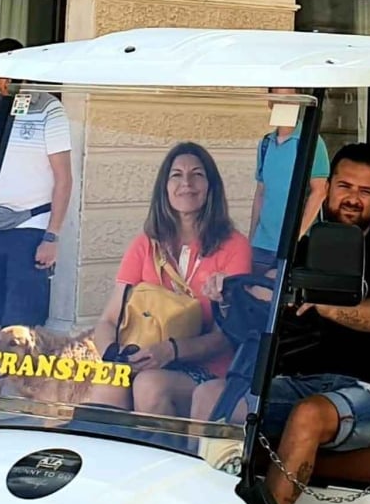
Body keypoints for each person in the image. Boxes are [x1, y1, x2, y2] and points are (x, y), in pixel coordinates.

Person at [254, 144, 370, 504]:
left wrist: (326, 306)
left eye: (366, 192)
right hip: (295, 380)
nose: (353, 199)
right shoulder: (300, 244)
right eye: (345, 187)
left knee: (308, 414)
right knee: (224, 399)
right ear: (328, 187)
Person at [88, 143, 252, 417]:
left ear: (211, 186)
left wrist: (171, 351)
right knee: (108, 384)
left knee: (150, 385)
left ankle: (169, 459)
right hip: (144, 358)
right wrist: (114, 358)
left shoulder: (234, 246)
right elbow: (107, 321)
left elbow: (228, 337)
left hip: (208, 368)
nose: (186, 183)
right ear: (164, 187)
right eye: (176, 175)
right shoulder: (144, 245)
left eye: (197, 174)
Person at [0, 37, 72, 391]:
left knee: (20, 329)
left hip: (30, 224)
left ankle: (32, 407)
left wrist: (51, 236)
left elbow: (64, 179)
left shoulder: (48, 110)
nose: (3, 81)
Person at [250, 87, 330, 270]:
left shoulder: (311, 142)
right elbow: (261, 193)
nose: (283, 103)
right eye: (278, 98)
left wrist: (298, 234)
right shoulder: (265, 144)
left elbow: (319, 191)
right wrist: (252, 236)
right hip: (262, 244)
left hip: (293, 247)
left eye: (289, 98)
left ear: (299, 102)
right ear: (270, 102)